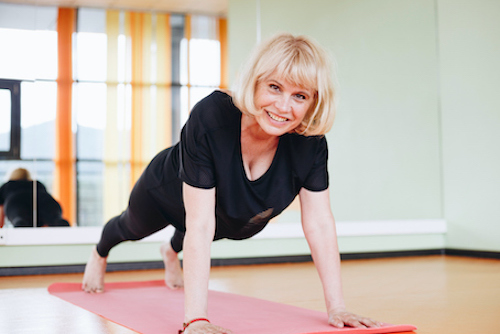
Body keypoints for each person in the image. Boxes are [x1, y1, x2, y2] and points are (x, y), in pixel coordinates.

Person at [82, 33, 381, 333]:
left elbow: (319, 223)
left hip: (224, 217)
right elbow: (198, 224)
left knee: (208, 225)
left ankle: (171, 252)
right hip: (167, 191)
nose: (283, 107)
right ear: (254, 82)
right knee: (131, 227)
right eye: (274, 87)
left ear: (313, 101)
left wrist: (337, 307)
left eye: (299, 96)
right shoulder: (212, 116)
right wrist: (196, 319)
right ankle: (99, 253)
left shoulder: (310, 143)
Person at [0, 168, 70, 228]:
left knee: (20, 221)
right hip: (43, 198)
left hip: (16, 202)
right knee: (56, 221)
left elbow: (0, 219)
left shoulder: (7, 186)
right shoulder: (38, 184)